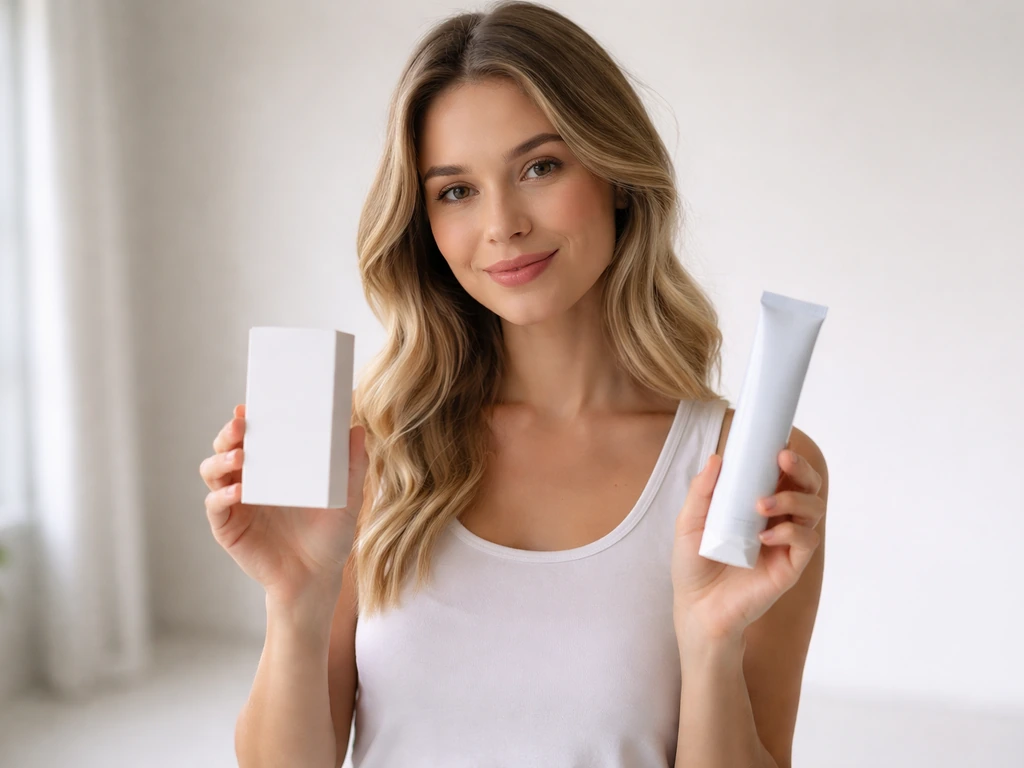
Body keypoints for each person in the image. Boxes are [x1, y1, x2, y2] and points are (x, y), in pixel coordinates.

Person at [198, 2, 829, 766]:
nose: (502, 225)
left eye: (540, 167)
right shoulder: (378, 449)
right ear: (424, 222)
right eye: (455, 191)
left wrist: (711, 641)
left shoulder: (744, 472)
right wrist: (296, 600)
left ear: (617, 177)